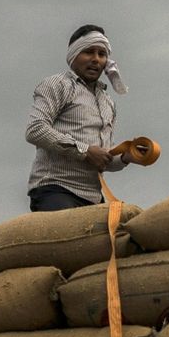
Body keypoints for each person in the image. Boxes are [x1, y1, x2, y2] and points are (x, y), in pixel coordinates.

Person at [25, 24, 139, 211]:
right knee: (66, 236)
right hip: (55, 188)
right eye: (88, 52)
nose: (96, 59)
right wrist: (85, 151)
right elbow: (35, 129)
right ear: (73, 56)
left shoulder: (107, 101)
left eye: (102, 54)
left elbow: (102, 159)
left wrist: (127, 157)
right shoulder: (57, 85)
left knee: (116, 237)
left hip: (93, 196)